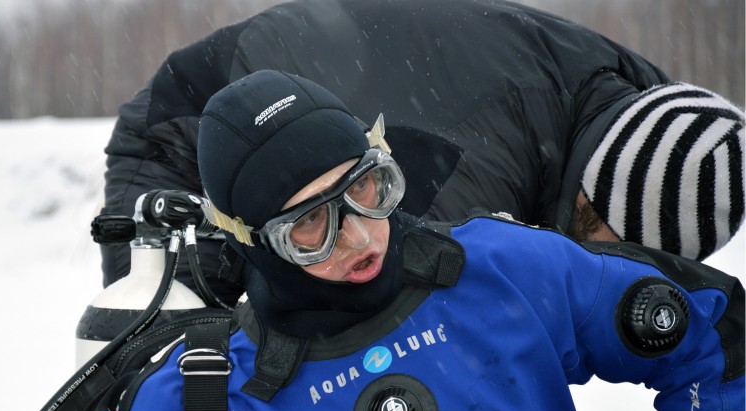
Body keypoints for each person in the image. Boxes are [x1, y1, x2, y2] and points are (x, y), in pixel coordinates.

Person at [5, 70, 743, 411]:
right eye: (309, 226)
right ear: (252, 241)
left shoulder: (505, 272)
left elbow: (719, 338)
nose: (361, 237)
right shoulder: (204, 404)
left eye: (367, 187)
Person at [100, 0, 745, 307]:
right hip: (184, 130)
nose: (606, 260)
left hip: (325, 140)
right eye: (609, 239)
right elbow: (410, 315)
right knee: (181, 351)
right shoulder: (479, 159)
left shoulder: (654, 111)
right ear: (593, 184)